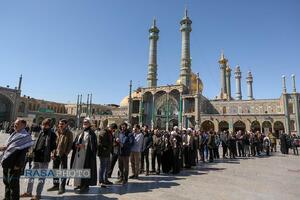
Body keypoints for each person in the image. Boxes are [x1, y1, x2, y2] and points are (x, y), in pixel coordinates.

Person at [21, 118, 57, 200]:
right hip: (36, 157)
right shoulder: (41, 132)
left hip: (44, 159)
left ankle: (38, 195)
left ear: (49, 125)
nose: (44, 126)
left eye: (46, 125)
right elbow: (37, 143)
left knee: (41, 178)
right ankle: (28, 192)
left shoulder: (52, 134)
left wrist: (53, 154)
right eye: (43, 124)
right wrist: (32, 151)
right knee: (31, 176)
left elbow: (54, 147)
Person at [0, 119, 33, 200]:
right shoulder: (14, 133)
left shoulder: (25, 136)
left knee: (13, 184)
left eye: (17, 124)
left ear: (24, 125)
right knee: (6, 182)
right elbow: (10, 146)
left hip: (15, 164)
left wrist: (18, 165)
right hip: (7, 161)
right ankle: (7, 197)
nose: (15, 125)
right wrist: (3, 148)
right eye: (15, 123)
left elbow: (23, 153)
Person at [70, 118, 97, 193]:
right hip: (78, 154)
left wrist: (84, 146)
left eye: (86, 122)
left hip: (86, 156)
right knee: (78, 168)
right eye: (84, 122)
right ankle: (78, 184)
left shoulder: (92, 134)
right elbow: (75, 142)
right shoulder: (80, 132)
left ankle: (84, 185)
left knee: (85, 169)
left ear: (89, 124)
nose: (84, 123)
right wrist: (76, 145)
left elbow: (93, 146)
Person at [47, 119, 73, 194]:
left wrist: (66, 153)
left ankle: (62, 187)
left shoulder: (69, 133)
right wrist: (52, 153)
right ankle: (55, 185)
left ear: (66, 125)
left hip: (63, 154)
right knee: (55, 170)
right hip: (55, 154)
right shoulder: (57, 132)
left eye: (62, 124)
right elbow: (54, 144)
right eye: (59, 124)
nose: (60, 125)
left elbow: (70, 144)